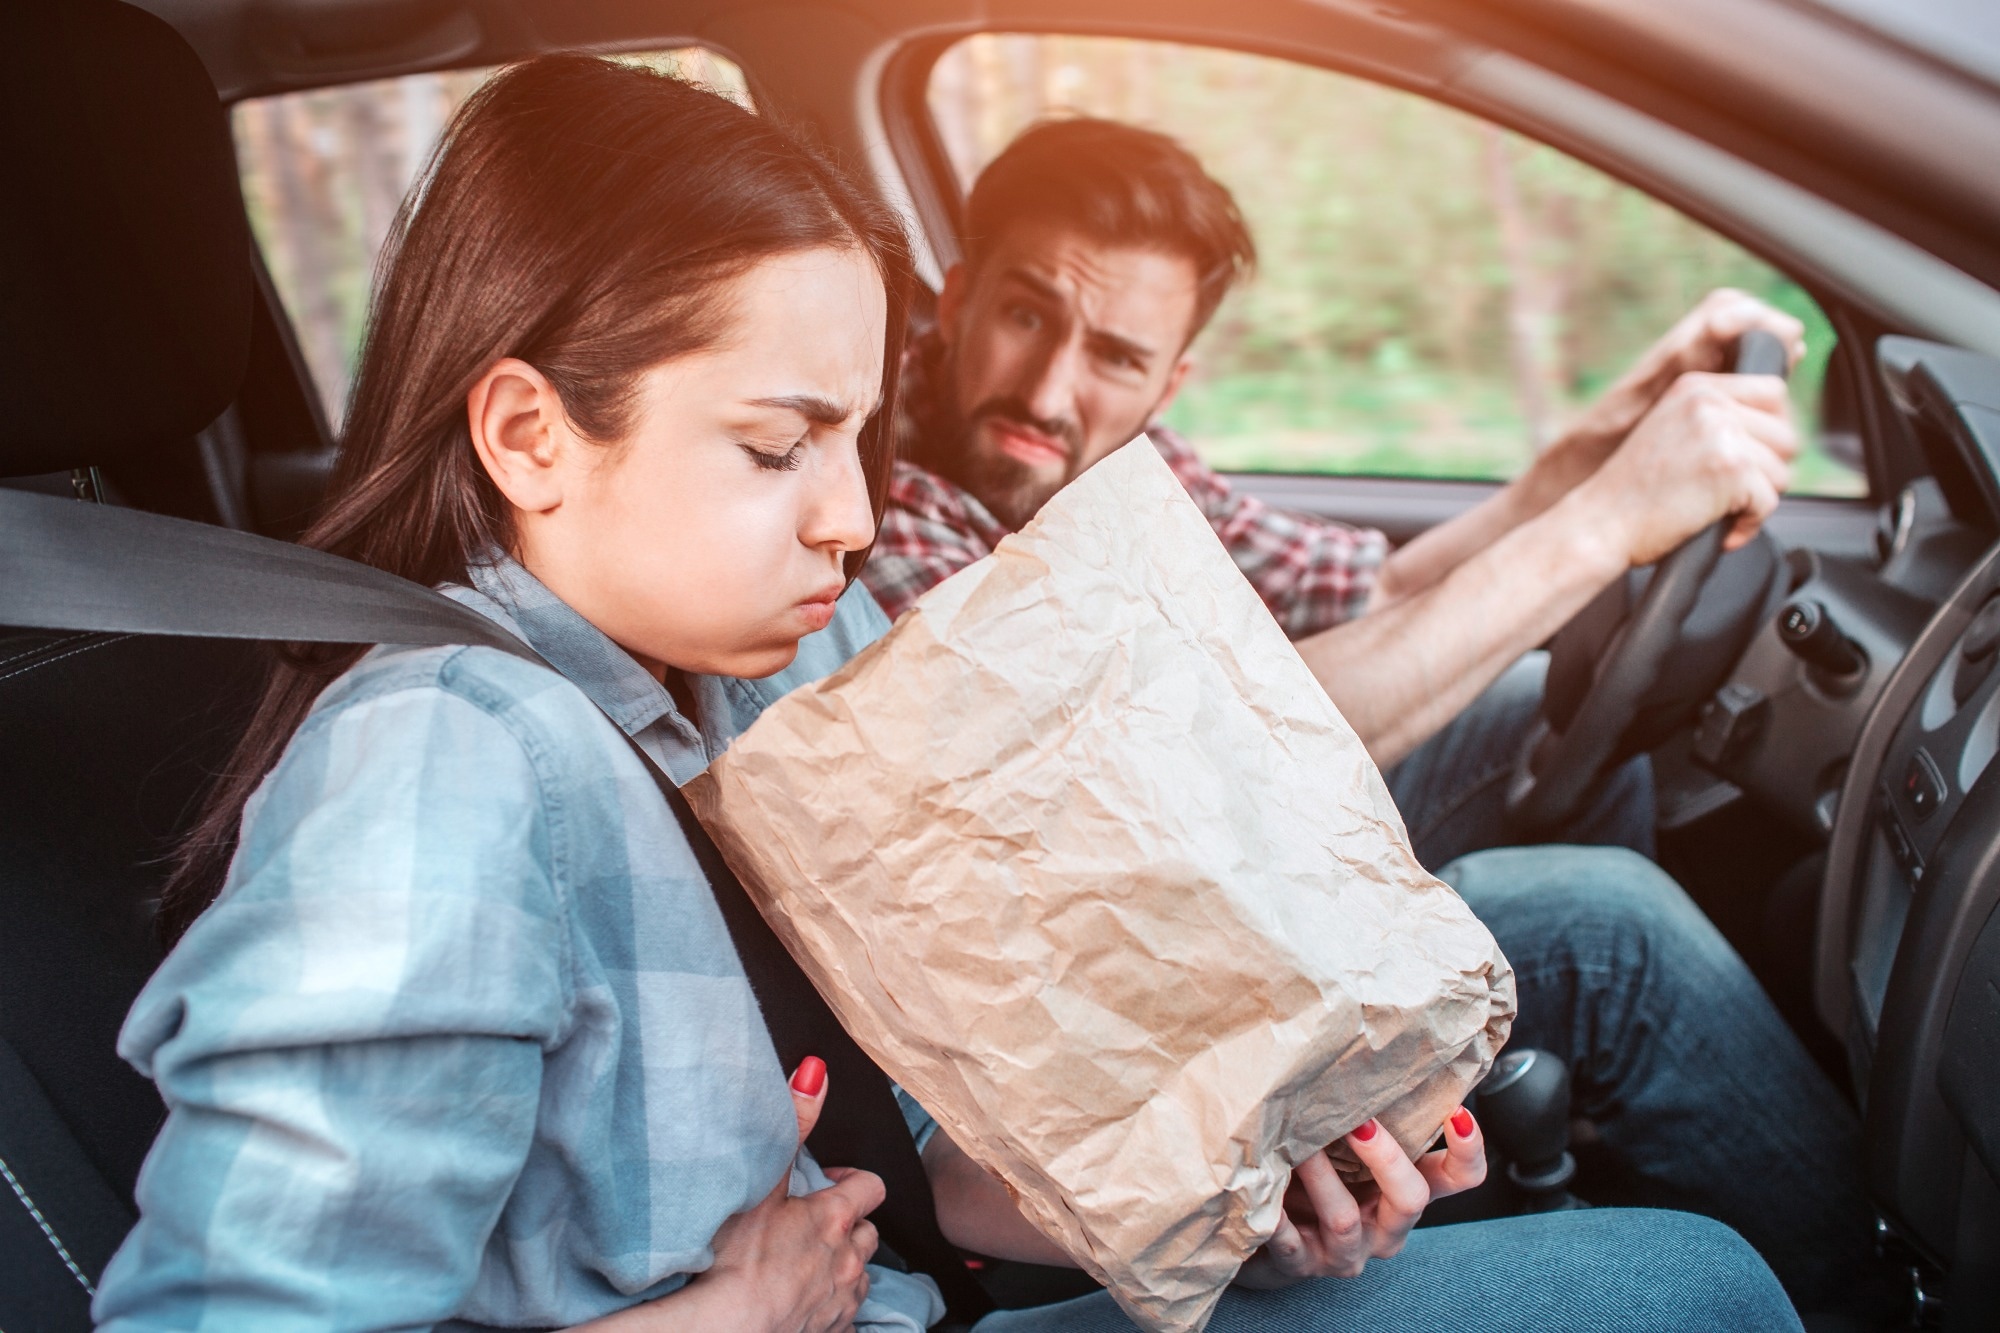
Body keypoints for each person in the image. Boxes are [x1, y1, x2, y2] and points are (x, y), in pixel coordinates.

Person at [87, 54, 1811, 1333]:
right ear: (531, 432)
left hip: (929, 1292)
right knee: (1701, 1285)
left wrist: (1219, 1192)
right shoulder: (438, 762)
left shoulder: (773, 671)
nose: (851, 510)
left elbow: (920, 1176)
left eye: (852, 430)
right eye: (777, 444)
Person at [864, 118, 1807, 870]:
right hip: (1089, 949)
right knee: (1612, 941)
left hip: (1188, 860)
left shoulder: (1121, 461)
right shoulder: (873, 501)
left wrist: (1612, 437)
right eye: (1027, 315)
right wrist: (1609, 525)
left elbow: (1380, 594)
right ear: (956, 301)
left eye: (1115, 356)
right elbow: (1193, 766)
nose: (1047, 391)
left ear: (1168, 385)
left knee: (1536, 701)